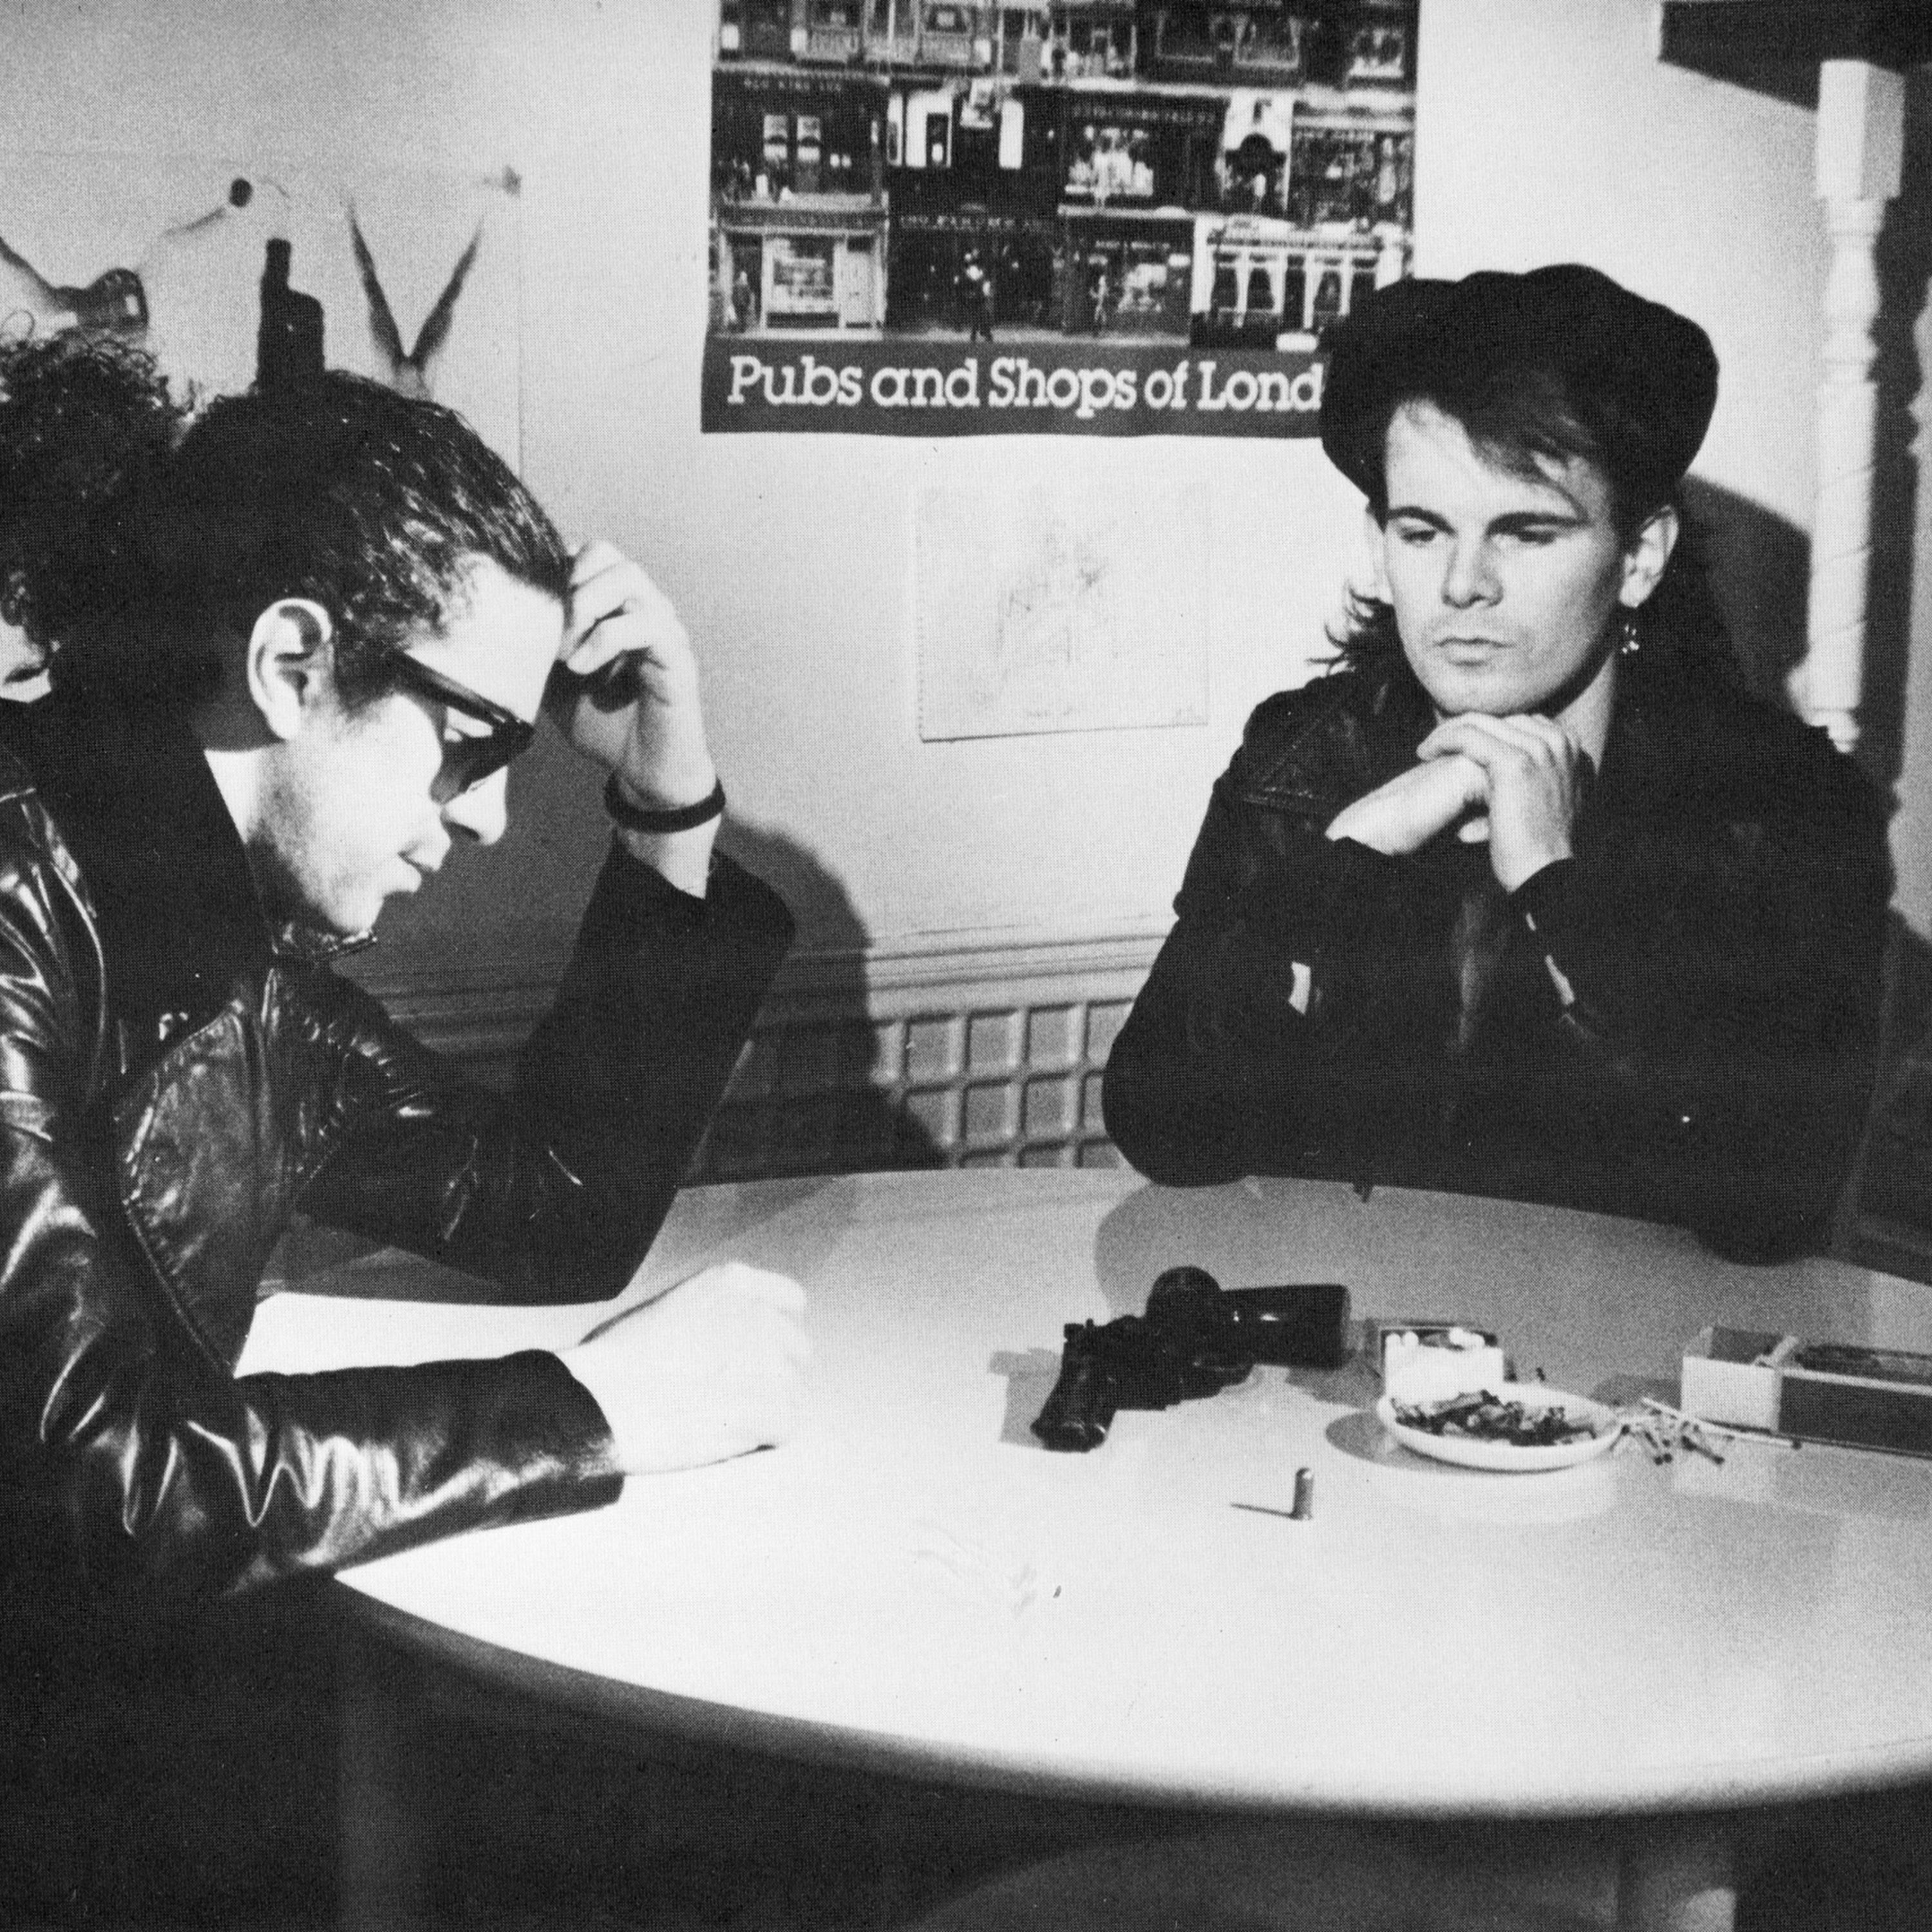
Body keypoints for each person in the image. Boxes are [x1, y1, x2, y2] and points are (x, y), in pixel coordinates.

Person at [0, 340, 805, 1923]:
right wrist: (591, 1410)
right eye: (477, 742)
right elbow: (93, 1495)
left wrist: (666, 804)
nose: (495, 815)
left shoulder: (224, 944)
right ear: (294, 663)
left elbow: (553, 1205)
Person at [1103, 264, 1893, 1263]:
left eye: (1525, 532)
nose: (1462, 584)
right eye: (1422, 530)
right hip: (1350, 1328)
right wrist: (1349, 853)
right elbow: (1163, 1129)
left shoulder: (1779, 802)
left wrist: (1559, 887)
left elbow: (1767, 1211)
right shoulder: (1305, 757)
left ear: (1640, 557)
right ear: (1380, 544)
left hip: (1628, 1349)